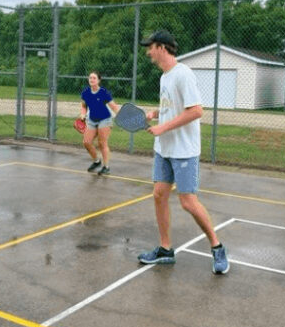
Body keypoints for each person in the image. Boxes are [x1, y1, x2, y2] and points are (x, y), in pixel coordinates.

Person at [137, 30, 229, 274]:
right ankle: (166, 250)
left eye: (151, 47)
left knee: (188, 202)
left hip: (184, 150)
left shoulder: (183, 74)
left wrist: (163, 127)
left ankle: (217, 247)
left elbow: (196, 111)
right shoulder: (165, 77)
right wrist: (156, 114)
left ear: (163, 48)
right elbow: (173, 107)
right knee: (159, 195)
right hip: (164, 149)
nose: (148, 52)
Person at [79, 71, 120, 175]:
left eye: (94, 78)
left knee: (102, 143)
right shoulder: (86, 92)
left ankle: (106, 167)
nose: (91, 80)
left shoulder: (103, 92)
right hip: (92, 120)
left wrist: (121, 116)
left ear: (98, 80)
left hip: (105, 120)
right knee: (86, 142)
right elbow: (84, 106)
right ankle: (97, 161)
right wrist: (83, 114)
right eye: (90, 78)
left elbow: (114, 106)